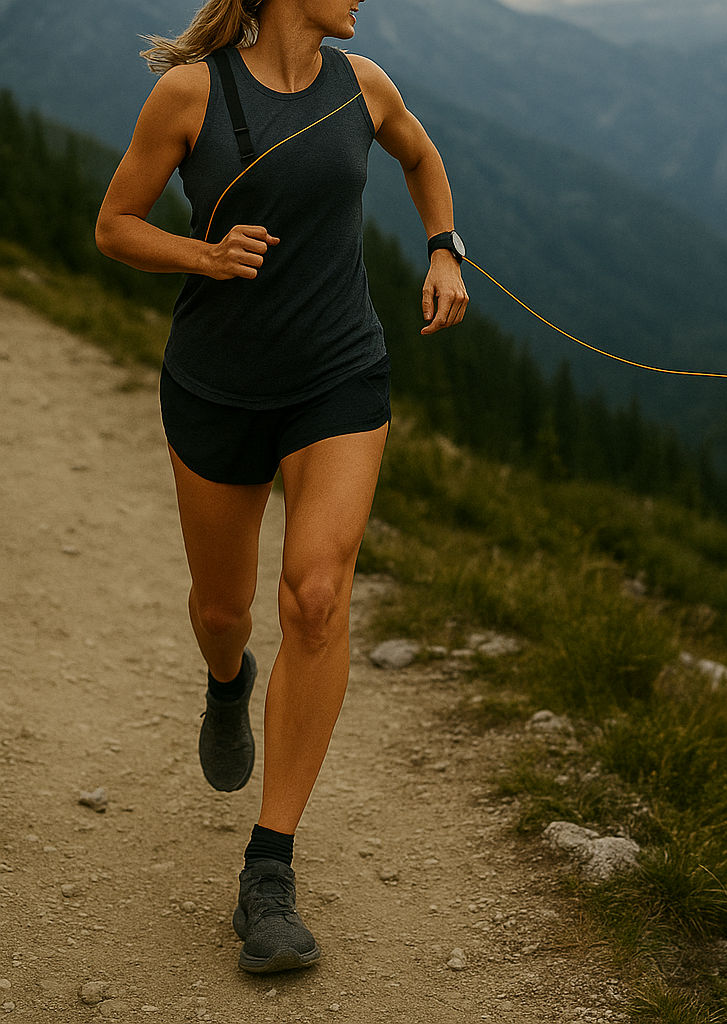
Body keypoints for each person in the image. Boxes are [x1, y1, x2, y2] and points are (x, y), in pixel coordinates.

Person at [95, 0, 468, 974]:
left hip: (338, 375)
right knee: (224, 610)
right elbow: (114, 225)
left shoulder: (364, 86)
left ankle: (269, 871)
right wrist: (204, 256)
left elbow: (422, 159)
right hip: (218, 386)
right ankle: (228, 680)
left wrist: (443, 249)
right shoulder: (190, 93)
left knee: (314, 593)